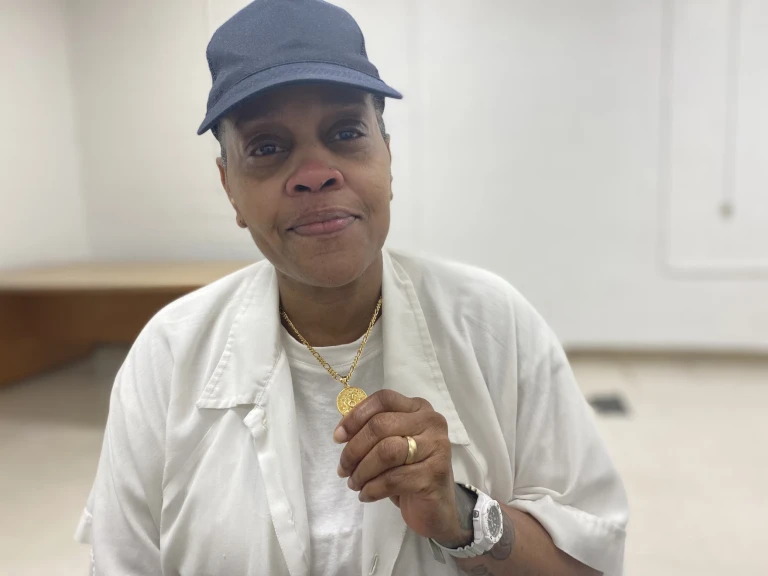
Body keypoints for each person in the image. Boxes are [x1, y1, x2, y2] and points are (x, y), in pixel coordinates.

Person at [75, 1, 628, 574]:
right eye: (267, 147)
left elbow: (589, 565)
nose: (315, 172)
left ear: (387, 156)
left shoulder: (494, 326)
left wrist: (462, 517)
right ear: (228, 187)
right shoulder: (168, 357)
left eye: (345, 133)